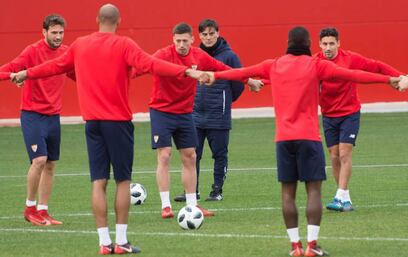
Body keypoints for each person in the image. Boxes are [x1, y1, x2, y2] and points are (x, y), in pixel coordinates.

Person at [11, 4, 202, 255]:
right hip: (118, 123)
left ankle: (103, 242)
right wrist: (187, 71)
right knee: (123, 181)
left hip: (93, 125)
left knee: (98, 182)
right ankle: (121, 241)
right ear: (119, 21)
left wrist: (26, 72)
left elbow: (54, 66)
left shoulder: (79, 44)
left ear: (97, 20)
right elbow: (152, 64)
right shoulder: (124, 45)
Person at [199, 26, 399, 257]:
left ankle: (295, 246)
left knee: (287, 194)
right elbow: (354, 75)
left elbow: (241, 72)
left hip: (283, 139)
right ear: (309, 45)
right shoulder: (317, 65)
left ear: (287, 43)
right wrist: (390, 80)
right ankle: (312, 246)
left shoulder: (273, 65)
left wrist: (214, 75)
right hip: (309, 138)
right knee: (313, 192)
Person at [138, 22, 260, 219]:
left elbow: (224, 69)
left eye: (185, 40)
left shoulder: (198, 56)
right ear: (173, 40)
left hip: (185, 113)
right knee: (165, 155)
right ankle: (166, 206)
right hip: (161, 111)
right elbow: (142, 67)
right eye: (177, 41)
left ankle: (192, 205)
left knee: (191, 156)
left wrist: (249, 80)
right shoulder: (163, 54)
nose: (181, 44)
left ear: (192, 40)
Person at [316, 27, 402, 212]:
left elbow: (377, 66)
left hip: (349, 113)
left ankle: (339, 196)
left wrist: (399, 76)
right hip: (329, 115)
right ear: (319, 45)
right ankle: (345, 198)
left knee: (345, 153)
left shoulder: (350, 58)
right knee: (334, 156)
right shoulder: (315, 62)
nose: (328, 47)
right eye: (325, 44)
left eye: (332, 43)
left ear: (339, 43)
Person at [0, 14, 75, 226]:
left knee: (50, 164)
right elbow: (9, 68)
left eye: (61, 32)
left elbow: (76, 74)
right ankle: (29, 208)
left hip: (53, 116)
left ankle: (43, 210)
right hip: (32, 115)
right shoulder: (32, 51)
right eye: (54, 32)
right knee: (39, 160)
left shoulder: (66, 53)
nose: (58, 36)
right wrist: (12, 76)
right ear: (44, 32)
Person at [173, 19, 244, 202]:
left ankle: (217, 191)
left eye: (212, 33)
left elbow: (239, 82)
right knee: (192, 154)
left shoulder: (229, 56)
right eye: (204, 34)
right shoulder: (194, 55)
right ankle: (192, 191)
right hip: (195, 115)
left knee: (219, 154)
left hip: (218, 116)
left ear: (218, 34)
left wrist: (225, 100)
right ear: (199, 36)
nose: (208, 37)